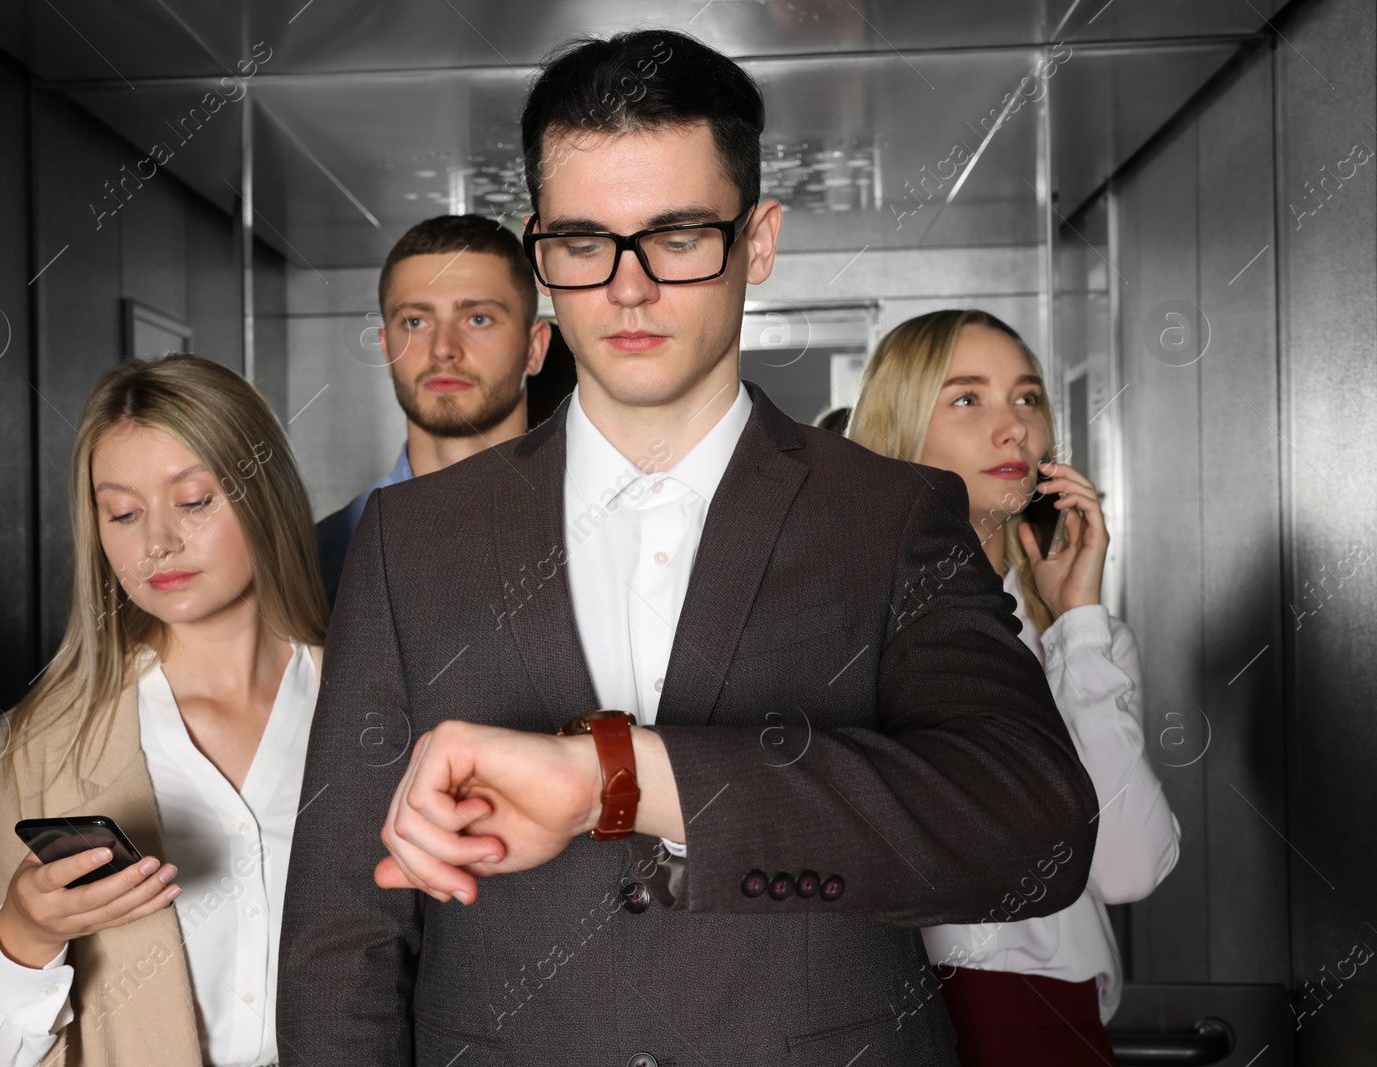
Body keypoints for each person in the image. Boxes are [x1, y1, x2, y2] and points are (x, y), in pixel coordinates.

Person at [278, 30, 1098, 1065]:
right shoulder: (412, 539)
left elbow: (1035, 830)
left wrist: (619, 779)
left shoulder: (888, 516)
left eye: (674, 238)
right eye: (583, 243)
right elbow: (340, 936)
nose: (627, 288)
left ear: (757, 241)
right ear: (541, 250)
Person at [0, 355, 329, 1066]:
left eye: (193, 501)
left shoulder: (380, 703)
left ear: (265, 495)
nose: (156, 543)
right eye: (123, 512)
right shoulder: (37, 746)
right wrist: (25, 939)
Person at [848, 309, 1181, 1065]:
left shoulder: (1077, 637)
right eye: (968, 399)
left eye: (1027, 398)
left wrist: (1080, 621)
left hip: (1052, 1025)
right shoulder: (842, 631)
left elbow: (1128, 867)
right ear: (901, 431)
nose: (1014, 429)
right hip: (895, 1016)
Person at [317, 214, 551, 601]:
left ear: (535, 348)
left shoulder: (596, 530)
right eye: (415, 322)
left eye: (478, 318)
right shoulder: (324, 558)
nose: (443, 348)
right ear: (387, 348)